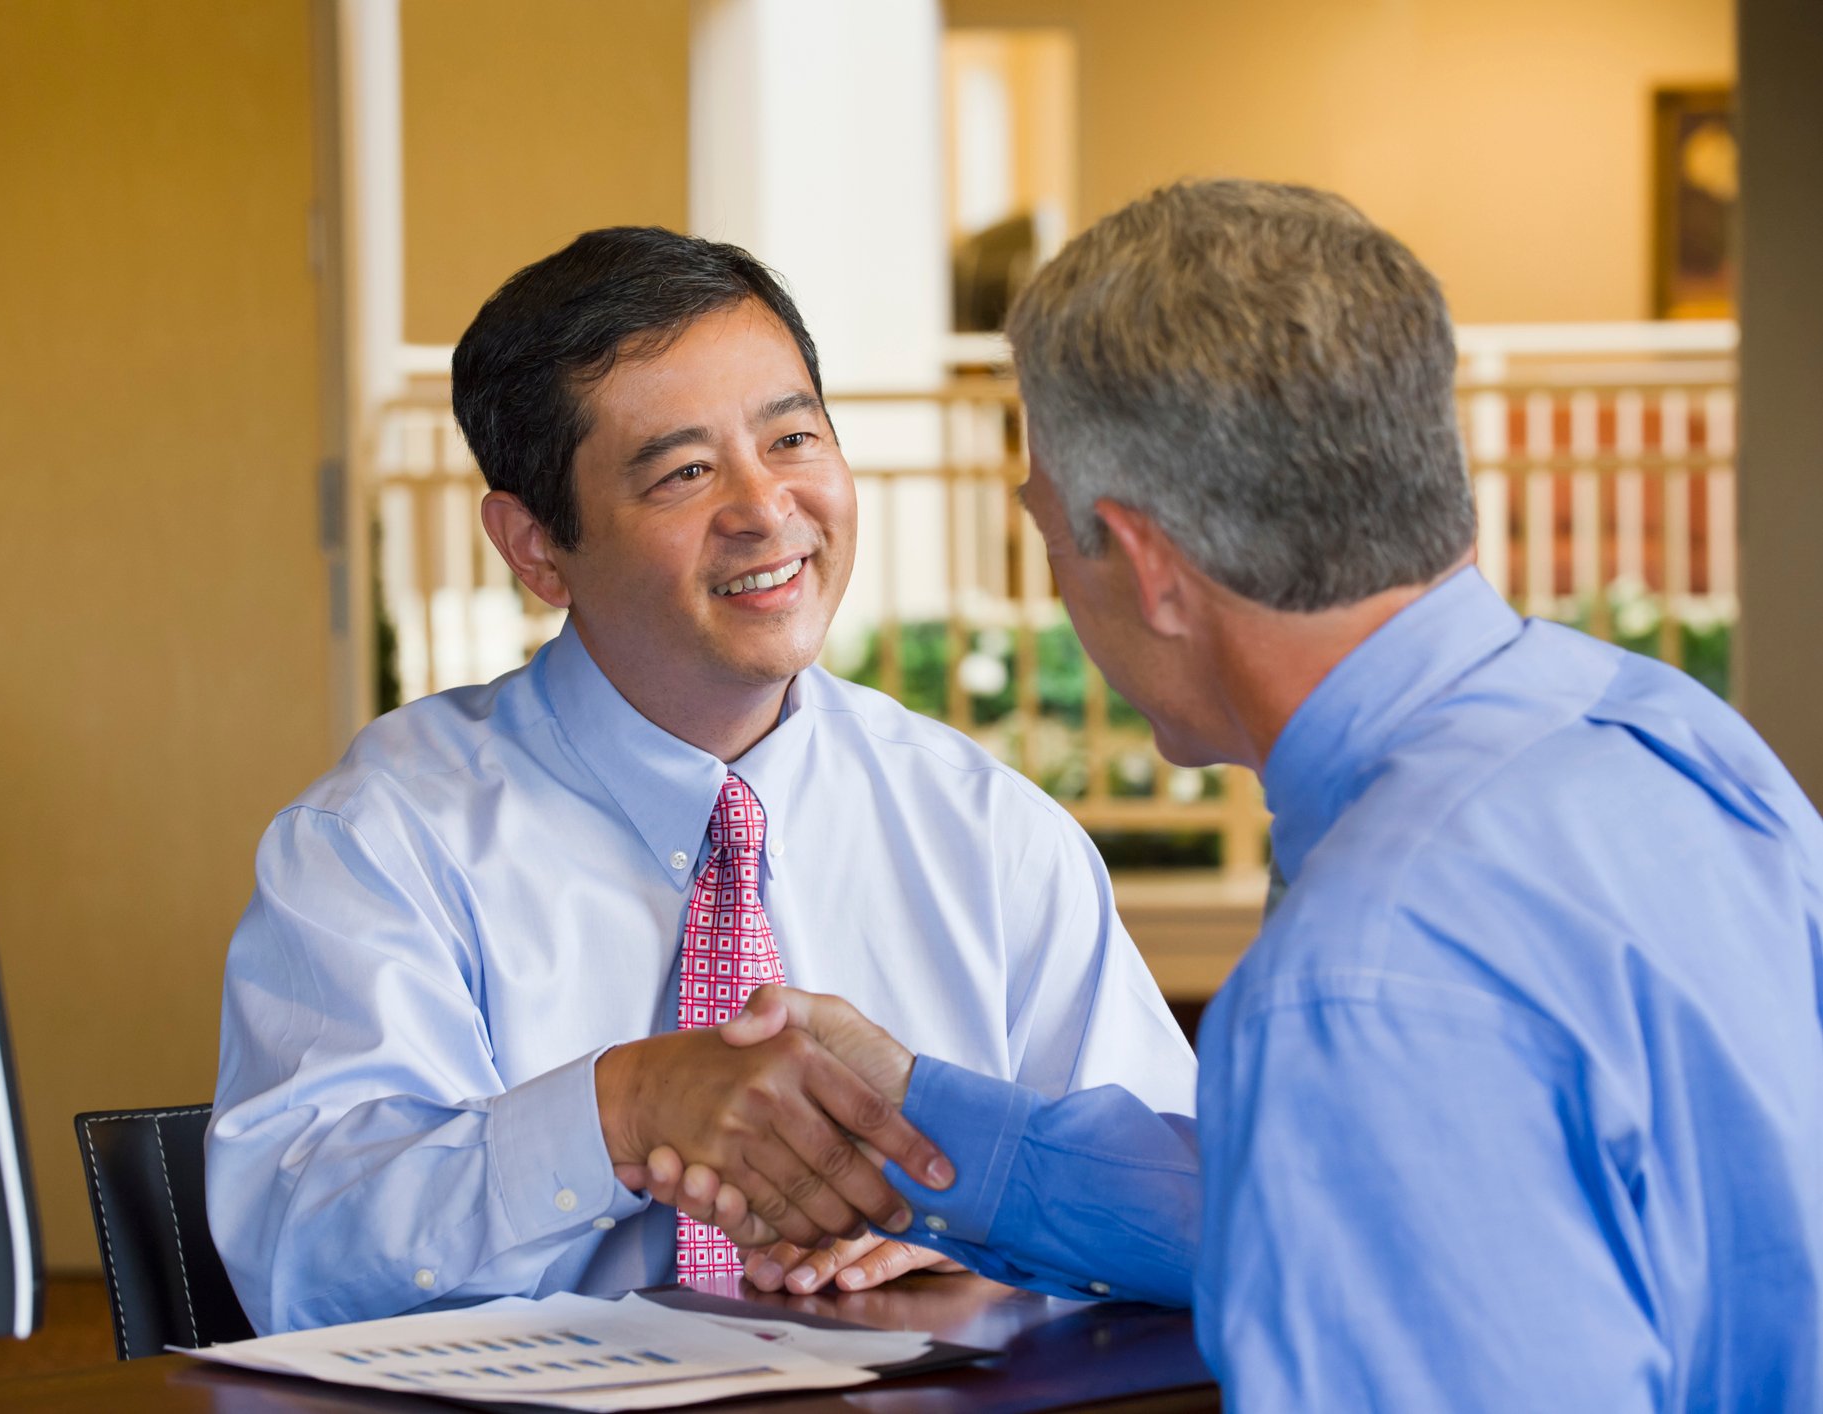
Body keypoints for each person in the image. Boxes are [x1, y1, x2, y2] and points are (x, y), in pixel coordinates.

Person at [646, 181, 1823, 1410]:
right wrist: (917, 1118)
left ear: (1147, 567)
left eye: (1047, 531)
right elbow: (1370, 1199)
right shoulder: (1673, 734)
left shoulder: (1364, 977)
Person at [204, 226, 1198, 1333]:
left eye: (794, 438)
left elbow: (1196, 1220)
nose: (766, 508)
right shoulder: (381, 839)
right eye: (684, 471)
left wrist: (982, 1221)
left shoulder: (988, 829)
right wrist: (622, 1109)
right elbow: (302, 1252)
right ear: (535, 547)